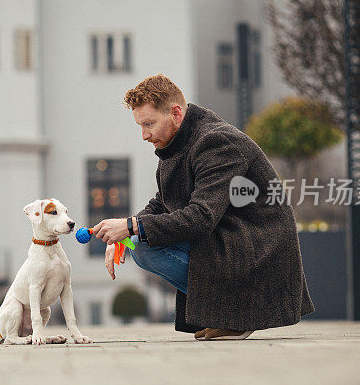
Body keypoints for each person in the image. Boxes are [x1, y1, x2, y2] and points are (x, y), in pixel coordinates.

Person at [92, 74, 314, 340]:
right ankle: (227, 313)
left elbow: (201, 217)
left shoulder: (216, 142)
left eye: (149, 123)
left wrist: (131, 227)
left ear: (175, 113)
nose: (144, 135)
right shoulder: (178, 142)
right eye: (141, 125)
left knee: (145, 246)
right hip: (230, 240)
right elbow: (162, 203)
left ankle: (236, 311)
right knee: (141, 241)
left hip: (257, 248)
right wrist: (125, 231)